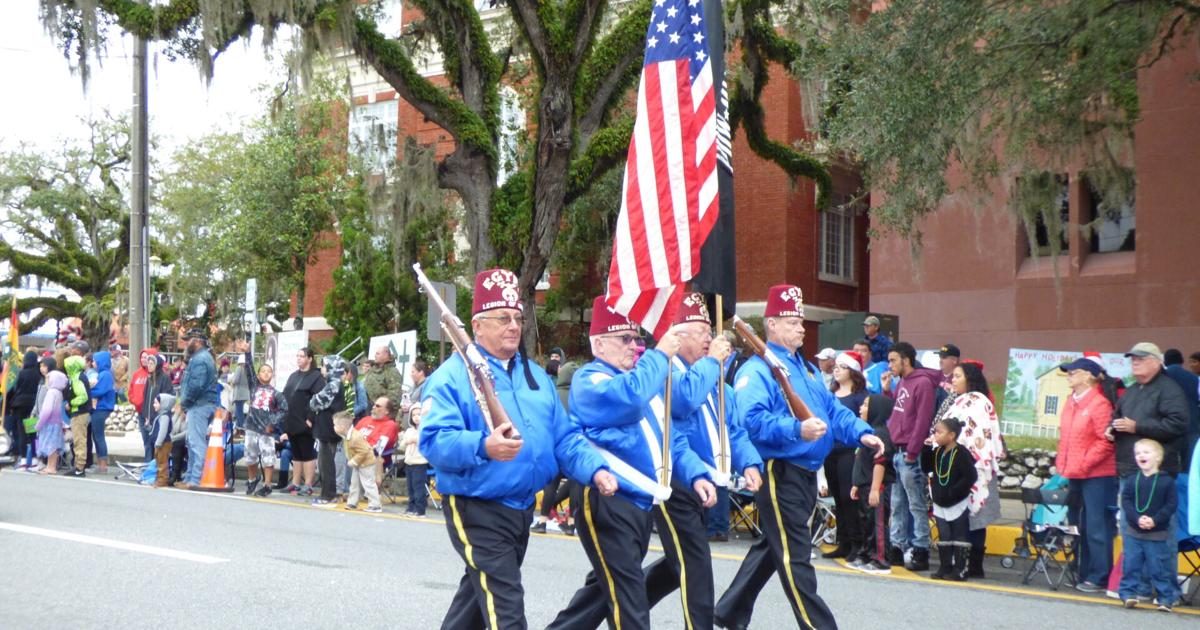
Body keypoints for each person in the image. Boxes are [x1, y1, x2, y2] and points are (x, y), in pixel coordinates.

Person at [419, 269, 617, 630]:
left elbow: (565, 438)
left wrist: (596, 469)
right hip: (476, 505)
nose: (513, 326)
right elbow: (433, 441)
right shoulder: (450, 377)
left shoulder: (536, 376)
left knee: (478, 603)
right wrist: (483, 446)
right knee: (506, 609)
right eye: (502, 318)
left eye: (518, 318)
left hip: (521, 506)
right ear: (476, 326)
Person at [714, 285, 881, 630]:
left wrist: (861, 432)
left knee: (772, 548)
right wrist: (796, 429)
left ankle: (729, 611)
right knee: (795, 556)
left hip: (804, 473)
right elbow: (750, 420)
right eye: (792, 321)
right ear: (771, 324)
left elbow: (831, 410)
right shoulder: (757, 371)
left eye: (801, 321)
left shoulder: (803, 368)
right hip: (779, 472)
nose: (801, 328)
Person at [548, 295, 712, 630]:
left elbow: (670, 439)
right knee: (629, 600)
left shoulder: (641, 375)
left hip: (638, 503)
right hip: (606, 499)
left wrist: (695, 473)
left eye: (636, 339)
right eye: (624, 339)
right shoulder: (590, 379)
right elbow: (630, 398)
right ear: (598, 343)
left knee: (601, 593)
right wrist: (660, 354)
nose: (633, 346)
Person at [1055, 356, 1117, 592]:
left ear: (1089, 376)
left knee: (1096, 525)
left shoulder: (1100, 404)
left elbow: (1106, 441)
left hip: (1097, 474)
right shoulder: (1071, 401)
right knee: (1077, 524)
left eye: (1074, 371)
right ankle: (1082, 570)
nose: (1069, 375)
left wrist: (1082, 462)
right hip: (1075, 472)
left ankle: (1099, 575)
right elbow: (1066, 438)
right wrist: (1064, 462)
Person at [939, 362, 1003, 578]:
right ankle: (962, 563)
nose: (953, 380)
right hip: (957, 464)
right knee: (962, 516)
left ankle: (972, 565)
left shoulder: (978, 402)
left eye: (957, 376)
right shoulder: (959, 401)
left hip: (973, 466)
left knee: (975, 516)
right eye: (953, 376)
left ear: (970, 378)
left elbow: (975, 436)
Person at [883, 341, 942, 571]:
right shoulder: (902, 382)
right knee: (898, 503)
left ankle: (920, 549)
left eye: (893, 360)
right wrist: (888, 390)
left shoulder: (923, 383)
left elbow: (922, 420)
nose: (890, 365)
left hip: (909, 452)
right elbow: (896, 413)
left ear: (906, 360)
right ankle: (897, 546)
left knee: (916, 504)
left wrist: (912, 451)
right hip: (898, 451)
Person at [1108, 343, 1190, 481]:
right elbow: (1116, 416)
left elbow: (1177, 425)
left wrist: (1137, 427)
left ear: (1157, 362)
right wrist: (1111, 429)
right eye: (1133, 360)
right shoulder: (1131, 390)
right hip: (1126, 468)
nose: (1135, 363)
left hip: (1157, 471)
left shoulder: (1169, 389)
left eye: (1141, 359)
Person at [1118, 438, 1181, 611]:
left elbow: (1171, 505)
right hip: (1133, 532)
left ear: (1158, 457)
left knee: (1159, 568)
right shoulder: (1132, 479)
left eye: (1146, 452)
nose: (1141, 456)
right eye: (1138, 453)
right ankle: (1128, 594)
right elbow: (1127, 500)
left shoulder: (1166, 481)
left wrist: (1155, 520)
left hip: (1157, 534)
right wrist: (1136, 518)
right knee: (1131, 565)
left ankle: (1166, 598)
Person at [822, 351, 869, 560]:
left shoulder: (861, 396)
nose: (837, 369)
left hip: (851, 452)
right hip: (831, 450)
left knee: (848, 497)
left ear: (853, 371)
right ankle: (843, 540)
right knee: (837, 499)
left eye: (842, 366)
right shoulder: (830, 394)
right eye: (836, 366)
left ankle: (856, 543)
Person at [921, 416, 977, 581]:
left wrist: (955, 492)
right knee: (944, 535)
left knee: (959, 535)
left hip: (957, 501)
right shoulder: (938, 452)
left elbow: (970, 476)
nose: (936, 435)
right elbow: (927, 467)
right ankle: (944, 567)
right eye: (935, 432)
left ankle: (959, 569)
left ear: (951, 435)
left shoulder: (961, 454)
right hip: (940, 500)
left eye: (940, 432)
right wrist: (926, 450)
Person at [848, 394, 895, 574]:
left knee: (877, 523)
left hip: (877, 486)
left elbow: (880, 463)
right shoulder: (868, 432)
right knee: (866, 522)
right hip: (865, 485)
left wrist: (875, 488)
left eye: (866, 405)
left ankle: (881, 559)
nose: (861, 408)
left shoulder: (880, 433)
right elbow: (861, 462)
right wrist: (856, 484)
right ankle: (867, 554)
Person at [178, 333, 220, 489]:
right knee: (192, 442)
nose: (186, 343)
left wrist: (185, 402)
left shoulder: (200, 359)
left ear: (197, 342)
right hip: (201, 404)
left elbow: (196, 385)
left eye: (188, 340)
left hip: (198, 405)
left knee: (197, 443)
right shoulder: (203, 357)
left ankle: (195, 479)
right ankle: (189, 477)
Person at [244, 349, 287, 497]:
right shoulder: (254, 387)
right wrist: (247, 353)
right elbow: (248, 370)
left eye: (269, 371)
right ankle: (252, 479)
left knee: (268, 457)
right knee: (250, 456)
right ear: (258, 375)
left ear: (272, 375)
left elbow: (284, 409)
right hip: (251, 427)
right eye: (263, 371)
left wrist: (272, 422)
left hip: (266, 430)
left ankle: (267, 485)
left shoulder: (276, 393)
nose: (266, 373)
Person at [282, 347, 324, 495]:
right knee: (296, 453)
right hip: (291, 419)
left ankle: (308, 484)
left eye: (302, 356)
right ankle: (295, 483)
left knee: (307, 453)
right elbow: (286, 394)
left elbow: (318, 399)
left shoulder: (316, 377)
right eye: (297, 356)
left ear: (310, 358)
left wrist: (310, 419)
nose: (298, 358)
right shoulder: (294, 375)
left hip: (305, 420)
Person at [310, 354, 347, 507]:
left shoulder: (333, 385)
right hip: (329, 428)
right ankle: (327, 493)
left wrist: (314, 399)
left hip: (328, 429)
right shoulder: (334, 383)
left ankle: (328, 495)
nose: (322, 369)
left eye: (325, 366)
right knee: (325, 462)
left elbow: (315, 403)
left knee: (326, 463)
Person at [128, 348, 170, 462]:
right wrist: (135, 401)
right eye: (142, 357)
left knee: (156, 441)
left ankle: (156, 466)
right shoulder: (140, 375)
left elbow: (167, 396)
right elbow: (134, 391)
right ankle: (148, 465)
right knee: (146, 440)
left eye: (147, 358)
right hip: (143, 412)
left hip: (156, 413)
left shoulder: (162, 377)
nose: (144, 360)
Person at [335, 410, 382, 513]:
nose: (334, 428)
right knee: (355, 483)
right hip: (360, 463)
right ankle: (352, 502)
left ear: (342, 427)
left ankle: (375, 505)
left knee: (368, 483)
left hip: (366, 463)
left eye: (335, 425)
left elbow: (364, 450)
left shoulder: (355, 437)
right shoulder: (347, 435)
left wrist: (354, 461)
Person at [1163, 348, 1200, 469]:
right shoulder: (1194, 378)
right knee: (1190, 464)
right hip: (1192, 424)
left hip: (1168, 426)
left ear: (1165, 361)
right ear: (1181, 361)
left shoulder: (1162, 377)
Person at [5, 350, 40, 462]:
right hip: (33, 405)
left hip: (20, 405)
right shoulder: (38, 374)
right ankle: (35, 458)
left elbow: (13, 389)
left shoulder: (20, 373)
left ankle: (23, 458)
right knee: (33, 432)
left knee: (21, 432)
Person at [35, 370, 69, 475]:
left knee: (50, 445)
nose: (47, 381)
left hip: (49, 422)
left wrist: (39, 424)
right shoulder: (58, 392)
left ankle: (51, 467)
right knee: (54, 445)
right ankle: (51, 466)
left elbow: (47, 410)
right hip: (56, 422)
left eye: (48, 378)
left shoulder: (51, 392)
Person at [88, 350, 116, 473]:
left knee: (98, 436)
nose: (93, 363)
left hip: (102, 407)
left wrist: (87, 391)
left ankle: (103, 465)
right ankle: (100, 464)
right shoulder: (104, 373)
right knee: (96, 435)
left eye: (94, 361)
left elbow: (99, 391)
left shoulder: (105, 374)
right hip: (100, 407)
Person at [64, 355, 92, 477]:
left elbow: (83, 396)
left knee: (79, 440)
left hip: (79, 412)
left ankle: (79, 468)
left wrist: (71, 403)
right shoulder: (78, 376)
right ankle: (78, 466)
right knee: (78, 440)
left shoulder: (77, 378)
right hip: (79, 412)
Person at [362, 345, 404, 421]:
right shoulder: (373, 369)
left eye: (378, 354)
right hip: (370, 408)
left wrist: (384, 411)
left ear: (386, 355)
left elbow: (394, 396)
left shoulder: (392, 372)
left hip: (383, 413)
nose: (375, 356)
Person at [402, 401, 429, 517]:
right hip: (409, 462)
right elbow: (402, 445)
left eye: (419, 414)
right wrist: (406, 441)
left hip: (420, 462)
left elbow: (424, 442)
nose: (416, 417)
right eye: (413, 415)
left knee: (419, 487)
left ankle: (420, 509)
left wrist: (415, 440)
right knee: (410, 487)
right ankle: (411, 507)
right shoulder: (409, 430)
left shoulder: (426, 430)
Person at [149, 392, 176, 487]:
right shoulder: (160, 415)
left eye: (156, 403)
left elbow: (163, 431)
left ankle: (162, 480)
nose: (154, 405)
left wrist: (158, 442)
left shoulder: (164, 417)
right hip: (160, 443)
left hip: (163, 443)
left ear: (164, 404)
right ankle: (159, 478)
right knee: (159, 461)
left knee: (162, 462)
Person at [228, 342, 252, 429]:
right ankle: (239, 426)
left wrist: (231, 381)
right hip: (245, 393)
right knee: (240, 410)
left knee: (239, 412)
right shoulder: (247, 369)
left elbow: (235, 380)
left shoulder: (239, 368)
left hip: (239, 393)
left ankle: (241, 427)